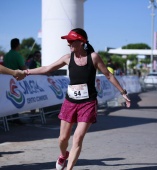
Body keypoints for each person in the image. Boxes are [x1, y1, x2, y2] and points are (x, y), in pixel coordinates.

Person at [23, 28, 131, 170]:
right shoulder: (67, 58)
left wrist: (123, 92)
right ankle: (63, 155)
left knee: (78, 138)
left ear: (81, 42)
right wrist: (26, 72)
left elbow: (108, 75)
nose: (69, 43)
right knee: (62, 139)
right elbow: (47, 68)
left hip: (88, 103)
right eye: (68, 41)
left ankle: (69, 168)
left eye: (71, 41)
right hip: (70, 102)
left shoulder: (94, 57)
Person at [3, 38, 27, 124]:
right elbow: (23, 68)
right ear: (18, 45)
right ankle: (15, 118)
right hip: (16, 79)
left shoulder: (7, 55)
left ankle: (8, 118)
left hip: (5, 80)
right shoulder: (17, 55)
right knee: (16, 98)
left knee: (7, 99)